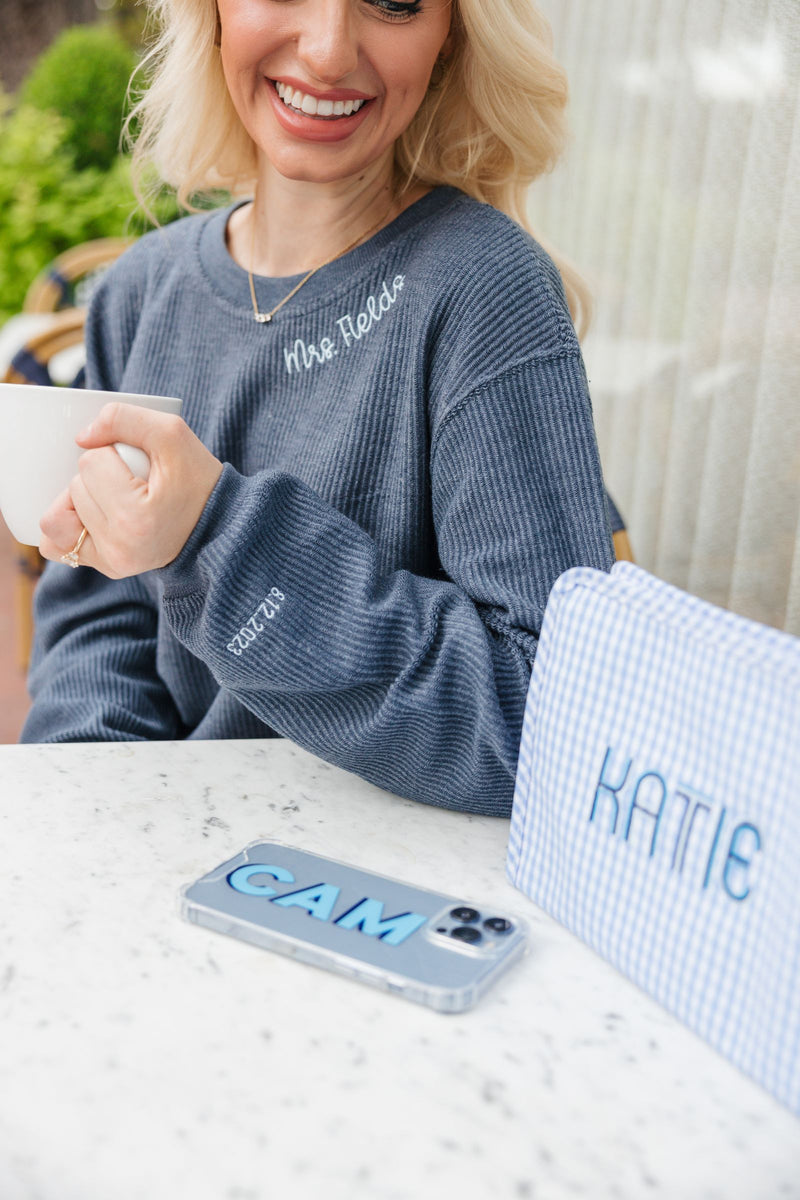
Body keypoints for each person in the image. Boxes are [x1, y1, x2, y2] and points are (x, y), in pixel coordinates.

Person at [21, 0, 617, 815]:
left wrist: (214, 540)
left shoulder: (485, 292)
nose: (330, 50)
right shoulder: (138, 293)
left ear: (451, 38)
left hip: (384, 901)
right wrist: (96, 810)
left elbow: (552, 726)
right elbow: (97, 625)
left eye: (397, 1)